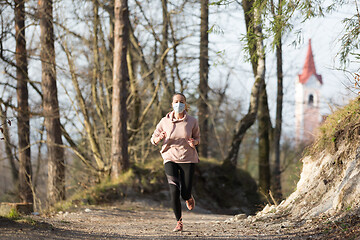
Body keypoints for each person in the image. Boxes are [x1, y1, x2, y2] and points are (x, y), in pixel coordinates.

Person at [151, 93, 200, 232]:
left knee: (184, 193)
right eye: (176, 101)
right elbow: (153, 138)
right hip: (170, 157)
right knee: (174, 190)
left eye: (182, 101)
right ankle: (179, 222)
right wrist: (158, 138)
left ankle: (188, 197)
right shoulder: (164, 121)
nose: (179, 104)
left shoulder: (192, 121)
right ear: (172, 104)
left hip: (188, 158)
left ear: (186, 104)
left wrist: (194, 142)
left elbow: (198, 138)